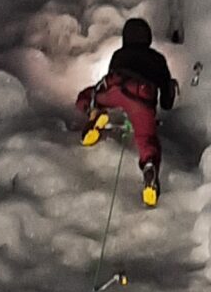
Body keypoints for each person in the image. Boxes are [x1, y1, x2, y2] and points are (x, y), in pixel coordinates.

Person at [75, 18, 177, 207]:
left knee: (86, 96)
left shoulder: (119, 54)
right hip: (142, 97)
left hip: (116, 88)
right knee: (147, 140)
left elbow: (109, 76)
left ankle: (94, 112)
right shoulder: (157, 59)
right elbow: (167, 101)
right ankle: (149, 170)